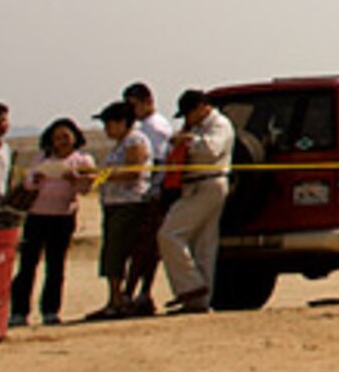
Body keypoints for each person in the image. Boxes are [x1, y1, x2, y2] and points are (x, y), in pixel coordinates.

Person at [155, 88, 235, 316]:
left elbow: (210, 150)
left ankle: (190, 286)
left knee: (170, 234)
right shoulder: (196, 127)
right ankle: (199, 300)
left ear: (201, 108)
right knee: (203, 245)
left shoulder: (220, 124)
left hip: (208, 183)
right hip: (194, 184)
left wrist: (186, 141)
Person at [10, 118, 96, 327]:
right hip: (37, 215)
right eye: (58, 137)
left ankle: (50, 310)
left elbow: (86, 188)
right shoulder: (41, 158)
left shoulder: (83, 160)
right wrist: (37, 178)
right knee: (27, 265)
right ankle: (19, 312)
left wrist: (74, 179)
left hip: (63, 216)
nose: (62, 141)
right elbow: (28, 184)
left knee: (55, 266)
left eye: (66, 136)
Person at [84, 101, 155, 320]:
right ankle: (116, 298)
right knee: (112, 251)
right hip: (115, 203)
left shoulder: (135, 140)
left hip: (130, 203)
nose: (106, 129)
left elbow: (134, 171)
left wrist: (101, 176)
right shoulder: (120, 144)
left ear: (122, 123)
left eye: (109, 124)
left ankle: (120, 299)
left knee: (118, 250)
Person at [119, 82, 178, 317]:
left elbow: (155, 161)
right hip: (152, 191)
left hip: (154, 192)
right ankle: (138, 293)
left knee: (145, 248)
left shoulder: (152, 129)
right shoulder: (148, 126)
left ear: (147, 102)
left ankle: (135, 293)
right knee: (145, 248)